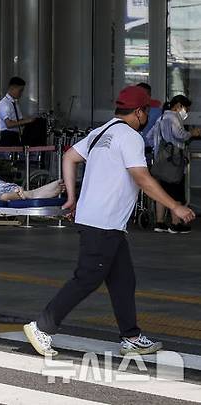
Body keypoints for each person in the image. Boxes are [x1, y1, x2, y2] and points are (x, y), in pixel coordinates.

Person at [23, 85, 196, 357]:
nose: (147, 117)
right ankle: (42, 327)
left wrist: (71, 197)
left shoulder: (100, 132)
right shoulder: (130, 137)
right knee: (87, 278)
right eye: (146, 112)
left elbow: (69, 157)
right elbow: (141, 177)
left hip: (103, 221)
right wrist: (174, 205)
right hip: (103, 223)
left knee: (123, 280)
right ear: (138, 112)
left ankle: (131, 336)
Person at [147, 94, 201, 234]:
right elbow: (180, 135)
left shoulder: (161, 118)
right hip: (174, 161)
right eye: (186, 109)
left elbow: (149, 137)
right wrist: (192, 133)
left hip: (160, 161)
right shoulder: (173, 117)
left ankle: (160, 223)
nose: (186, 113)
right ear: (179, 106)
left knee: (162, 191)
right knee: (175, 191)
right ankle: (175, 223)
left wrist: (159, 149)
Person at [0, 76, 35, 146]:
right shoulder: (4, 103)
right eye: (20, 91)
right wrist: (27, 121)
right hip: (7, 136)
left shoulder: (15, 103)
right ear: (12, 88)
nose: (21, 93)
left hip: (16, 136)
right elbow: (9, 124)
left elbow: (20, 120)